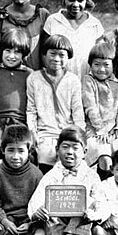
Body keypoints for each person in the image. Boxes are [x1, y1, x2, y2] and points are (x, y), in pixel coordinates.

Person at [27, 126, 104, 235]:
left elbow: (101, 202)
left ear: (84, 152)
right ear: (57, 150)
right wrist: (37, 211)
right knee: (49, 215)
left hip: (81, 224)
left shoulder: (91, 175)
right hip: (57, 224)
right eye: (65, 147)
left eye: (75, 148)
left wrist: (94, 213)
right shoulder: (51, 175)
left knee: (84, 206)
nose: (69, 152)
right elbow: (36, 200)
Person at [0, 125, 49, 235]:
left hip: (28, 223)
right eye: (11, 150)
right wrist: (5, 221)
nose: (15, 156)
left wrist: (30, 224)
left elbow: (39, 203)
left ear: (29, 151)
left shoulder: (36, 174)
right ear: (3, 150)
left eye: (21, 151)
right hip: (5, 222)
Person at [26, 35, 85, 173]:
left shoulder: (73, 80)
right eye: (52, 54)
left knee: (70, 157)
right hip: (44, 133)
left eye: (61, 55)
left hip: (67, 131)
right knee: (46, 155)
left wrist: (79, 134)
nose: (56, 59)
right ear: (45, 55)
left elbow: (77, 112)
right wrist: (32, 132)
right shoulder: (34, 78)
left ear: (68, 57)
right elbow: (31, 110)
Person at [0, 29, 33, 172]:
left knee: (27, 154)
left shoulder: (29, 74)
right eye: (8, 51)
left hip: (20, 123)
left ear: (23, 54)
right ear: (1, 51)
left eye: (17, 52)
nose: (11, 56)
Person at [81, 42, 118, 178]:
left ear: (113, 65)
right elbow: (90, 107)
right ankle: (101, 186)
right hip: (95, 130)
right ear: (90, 65)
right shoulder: (88, 81)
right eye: (97, 64)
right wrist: (100, 130)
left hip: (113, 130)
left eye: (106, 65)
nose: (101, 69)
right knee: (105, 158)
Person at [43, 0, 104, 79]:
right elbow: (44, 52)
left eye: (80, 0)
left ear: (86, 1)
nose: (75, 4)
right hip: (58, 78)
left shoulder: (94, 24)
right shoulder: (53, 21)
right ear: (64, 0)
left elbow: (100, 55)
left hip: (87, 79)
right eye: (71, 0)